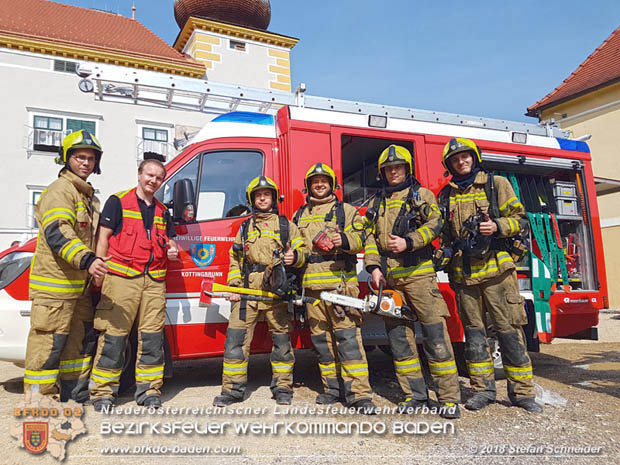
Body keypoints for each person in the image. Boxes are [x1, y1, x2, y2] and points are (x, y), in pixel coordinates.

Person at [438, 137, 542, 413]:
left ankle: (522, 393)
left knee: (509, 332)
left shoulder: (497, 185)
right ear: (449, 164)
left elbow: (521, 220)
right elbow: (446, 237)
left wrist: (496, 226)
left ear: (474, 158)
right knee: (473, 336)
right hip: (463, 276)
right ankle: (483, 390)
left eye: (465, 157)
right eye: (455, 159)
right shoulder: (445, 195)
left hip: (497, 271)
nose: (461, 162)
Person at [364, 145, 461, 419]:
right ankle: (414, 395)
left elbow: (435, 224)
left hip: (419, 275)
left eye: (398, 167)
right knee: (399, 341)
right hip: (391, 280)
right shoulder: (376, 203)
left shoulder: (422, 195)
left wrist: (410, 241)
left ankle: (448, 399)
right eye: (389, 168)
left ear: (407, 169)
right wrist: (373, 268)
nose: (394, 172)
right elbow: (369, 237)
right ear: (383, 173)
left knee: (435, 337)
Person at [24, 129, 107, 402]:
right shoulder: (59, 192)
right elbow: (59, 234)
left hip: (78, 289)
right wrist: (88, 260)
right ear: (66, 159)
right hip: (54, 291)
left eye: (91, 158)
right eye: (79, 157)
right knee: (47, 347)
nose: (85, 163)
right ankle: (39, 399)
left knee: (76, 346)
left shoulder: (88, 197)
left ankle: (74, 393)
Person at [89, 159, 179, 411]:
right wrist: (98, 272)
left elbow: (171, 242)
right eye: (149, 175)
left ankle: (149, 390)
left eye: (159, 177)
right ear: (139, 174)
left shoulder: (163, 211)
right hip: (121, 280)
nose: (154, 180)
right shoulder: (118, 202)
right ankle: (103, 393)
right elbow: (103, 237)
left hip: (154, 282)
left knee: (151, 339)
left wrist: (173, 250)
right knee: (113, 337)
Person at [213, 176, 305, 407]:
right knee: (235, 341)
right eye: (258, 195)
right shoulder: (245, 227)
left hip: (276, 291)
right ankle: (232, 390)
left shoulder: (286, 225)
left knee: (282, 342)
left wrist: (296, 257)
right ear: (252, 199)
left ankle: (283, 387)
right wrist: (234, 287)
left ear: (273, 198)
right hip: (247, 293)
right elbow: (235, 258)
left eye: (267, 194)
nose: (262, 198)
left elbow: (303, 252)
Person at [293, 163, 376, 414]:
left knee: (348, 341)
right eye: (315, 181)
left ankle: (359, 395)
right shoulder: (300, 215)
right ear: (309, 186)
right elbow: (299, 251)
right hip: (312, 289)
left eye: (324, 181)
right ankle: (332, 390)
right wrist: (292, 257)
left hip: (340, 286)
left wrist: (345, 240)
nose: (320, 185)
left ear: (332, 184)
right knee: (322, 343)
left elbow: (363, 238)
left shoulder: (347, 211)